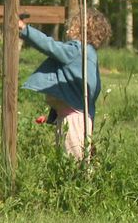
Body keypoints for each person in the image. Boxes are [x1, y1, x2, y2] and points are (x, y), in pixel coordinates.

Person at [19, 9, 112, 160]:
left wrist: (24, 29)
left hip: (72, 119)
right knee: (71, 159)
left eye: (73, 25)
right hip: (74, 117)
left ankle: (81, 182)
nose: (68, 29)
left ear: (82, 29)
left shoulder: (77, 50)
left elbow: (50, 46)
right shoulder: (88, 54)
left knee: (73, 162)